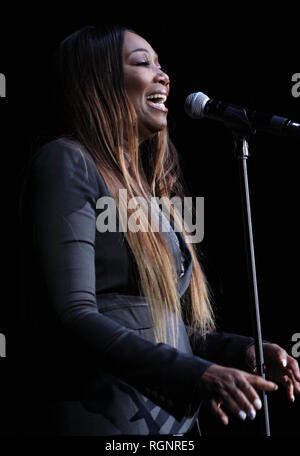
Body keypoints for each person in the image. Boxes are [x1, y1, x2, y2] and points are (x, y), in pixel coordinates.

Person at [19, 24, 300, 436]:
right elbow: (76, 314)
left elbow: (161, 328)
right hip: (106, 420)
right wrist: (196, 376)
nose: (163, 75)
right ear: (99, 82)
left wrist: (241, 350)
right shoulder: (66, 162)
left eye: (160, 64)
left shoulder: (153, 196)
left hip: (173, 426)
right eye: (142, 63)